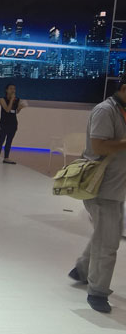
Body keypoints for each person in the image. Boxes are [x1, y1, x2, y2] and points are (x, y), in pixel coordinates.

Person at [68, 74, 126, 313]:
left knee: (107, 233)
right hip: (100, 188)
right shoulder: (105, 111)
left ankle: (82, 269)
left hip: (116, 188)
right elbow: (99, 145)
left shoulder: (122, 111)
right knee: (108, 242)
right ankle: (98, 292)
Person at [0, 83, 25, 164]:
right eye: (11, 88)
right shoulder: (2, 100)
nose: (13, 90)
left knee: (9, 141)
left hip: (13, 123)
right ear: (6, 90)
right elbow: (7, 110)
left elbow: (16, 111)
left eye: (14, 89)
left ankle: (6, 158)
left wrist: (20, 108)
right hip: (4, 123)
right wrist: (11, 100)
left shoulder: (17, 100)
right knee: (1, 140)